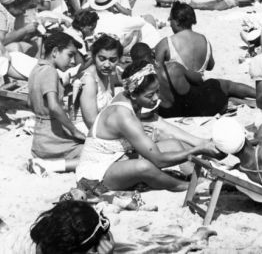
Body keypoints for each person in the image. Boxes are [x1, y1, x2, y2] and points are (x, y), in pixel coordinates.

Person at [75, 59, 216, 191]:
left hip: (118, 158)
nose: (156, 98)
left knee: (173, 144)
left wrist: (200, 146)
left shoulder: (130, 97)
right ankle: (183, 185)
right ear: (135, 95)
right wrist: (198, 149)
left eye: (157, 91)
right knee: (144, 167)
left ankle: (196, 175)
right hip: (96, 174)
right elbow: (159, 161)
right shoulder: (123, 116)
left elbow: (159, 125)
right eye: (150, 95)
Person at [27, 32, 85, 175]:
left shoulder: (36, 68)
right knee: (95, 154)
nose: (72, 61)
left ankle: (46, 163)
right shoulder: (50, 71)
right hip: (51, 140)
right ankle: (50, 166)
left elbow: (30, 102)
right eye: (70, 55)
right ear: (55, 52)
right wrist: (74, 130)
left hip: (39, 138)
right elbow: (53, 106)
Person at [77, 34, 124, 130]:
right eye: (102, 59)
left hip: (103, 128)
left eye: (112, 60)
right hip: (89, 132)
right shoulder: (88, 80)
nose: (107, 64)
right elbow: (91, 121)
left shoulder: (109, 75)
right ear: (94, 57)